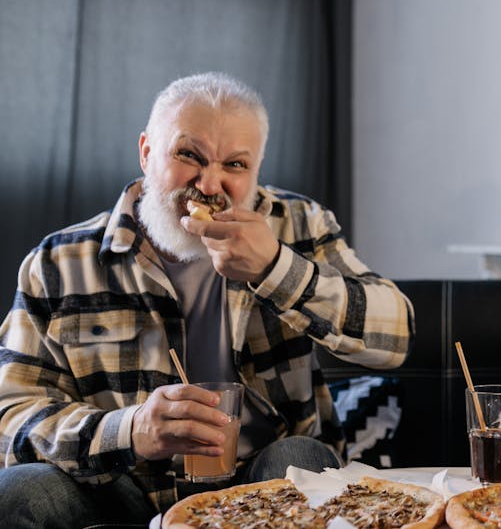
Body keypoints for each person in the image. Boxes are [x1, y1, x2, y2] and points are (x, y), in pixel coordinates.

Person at [0, 72, 414, 528]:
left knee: (301, 456)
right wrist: (130, 430)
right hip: (121, 484)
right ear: (146, 152)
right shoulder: (59, 261)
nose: (210, 184)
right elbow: (11, 413)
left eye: (235, 164)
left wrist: (276, 268)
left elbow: (395, 338)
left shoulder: (299, 225)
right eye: (188, 155)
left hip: (263, 482)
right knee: (18, 492)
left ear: (256, 170)